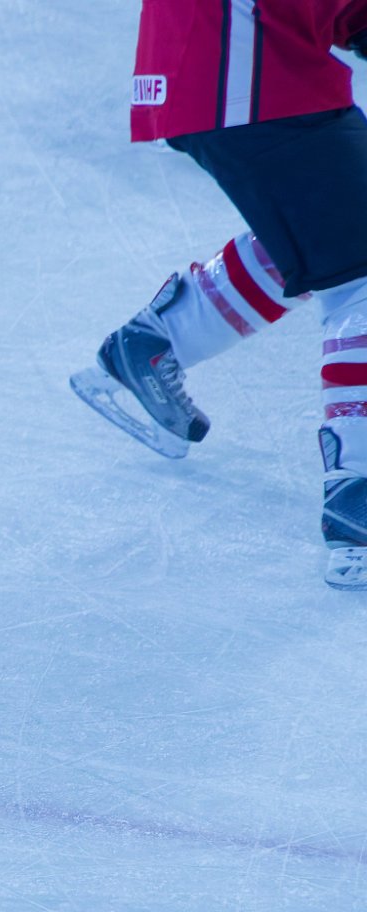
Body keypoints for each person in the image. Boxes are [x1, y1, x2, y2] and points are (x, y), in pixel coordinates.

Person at [71, 0, 367, 588]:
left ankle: (155, 343)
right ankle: (355, 498)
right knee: (357, 270)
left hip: (228, 61)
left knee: (324, 234)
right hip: (247, 65)